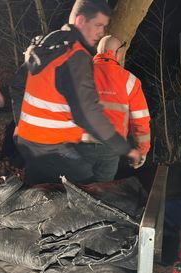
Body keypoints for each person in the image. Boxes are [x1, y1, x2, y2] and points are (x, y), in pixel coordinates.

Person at [14, 0, 141, 185]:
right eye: (98, 25)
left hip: (30, 143)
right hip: (53, 147)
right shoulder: (76, 55)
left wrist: (20, 123)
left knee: (40, 192)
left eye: (104, 27)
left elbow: (16, 85)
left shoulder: (48, 45)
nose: (101, 33)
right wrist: (125, 149)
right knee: (88, 190)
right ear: (81, 20)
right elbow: (88, 114)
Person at [90, 35, 151, 181]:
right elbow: (140, 121)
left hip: (76, 145)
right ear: (117, 53)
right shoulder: (130, 81)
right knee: (101, 193)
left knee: (73, 191)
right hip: (110, 147)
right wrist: (141, 151)